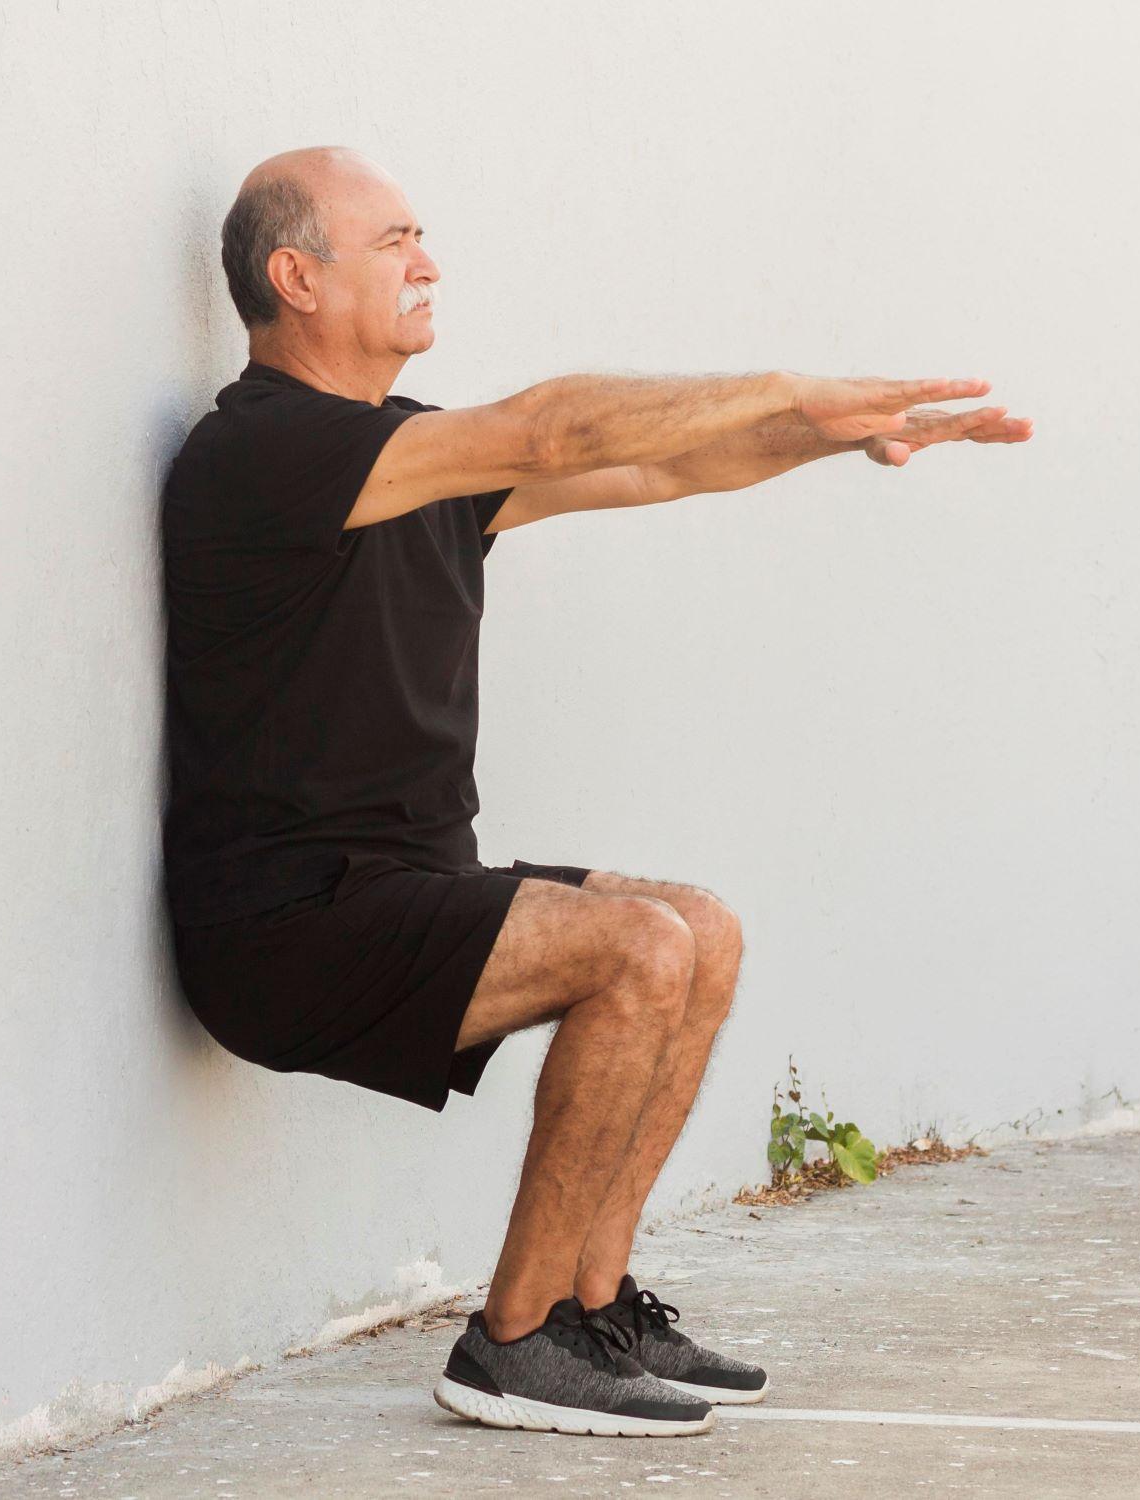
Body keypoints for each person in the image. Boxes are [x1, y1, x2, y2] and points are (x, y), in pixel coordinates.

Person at [160, 145, 1031, 1438]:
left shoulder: (412, 457)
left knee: (703, 929)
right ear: (297, 275)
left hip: (399, 890)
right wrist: (793, 380)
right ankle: (511, 1343)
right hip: (286, 924)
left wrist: (832, 435)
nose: (429, 260)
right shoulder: (267, 454)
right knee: (638, 946)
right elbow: (557, 424)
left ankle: (589, 1304)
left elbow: (660, 467)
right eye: (396, 238)